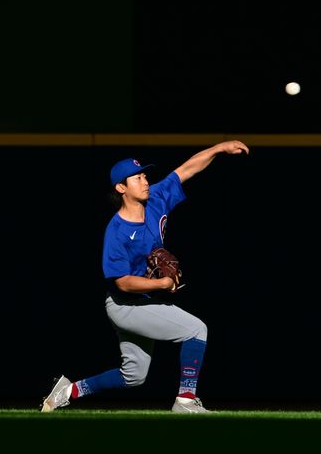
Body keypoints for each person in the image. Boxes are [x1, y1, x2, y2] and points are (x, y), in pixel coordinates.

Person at [41, 139, 250, 413]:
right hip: (125, 306)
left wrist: (218, 149)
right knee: (197, 330)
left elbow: (186, 169)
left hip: (142, 303)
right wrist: (162, 283)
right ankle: (185, 400)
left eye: (144, 175)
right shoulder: (116, 231)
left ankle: (67, 391)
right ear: (121, 188)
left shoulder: (156, 201)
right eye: (136, 177)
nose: (144, 180)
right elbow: (122, 281)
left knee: (133, 377)